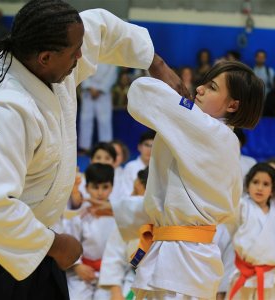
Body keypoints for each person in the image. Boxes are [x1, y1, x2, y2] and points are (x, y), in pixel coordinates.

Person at [0, 0, 188, 298]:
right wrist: (56, 245)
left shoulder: (49, 57)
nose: (82, 55)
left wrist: (156, 64)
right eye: (74, 52)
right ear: (45, 57)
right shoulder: (6, 110)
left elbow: (102, 27)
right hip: (4, 251)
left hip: (41, 244)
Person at [113, 61, 265, 299]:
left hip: (182, 262)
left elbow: (141, 92)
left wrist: (159, 65)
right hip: (183, 255)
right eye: (204, 82)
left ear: (233, 105)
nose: (200, 89)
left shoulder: (209, 130)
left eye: (212, 87)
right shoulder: (224, 139)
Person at [228, 163, 275, 300]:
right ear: (247, 185)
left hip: (269, 279)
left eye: (266, 184)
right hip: (244, 275)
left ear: (273, 190)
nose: (260, 188)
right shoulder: (241, 206)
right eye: (255, 182)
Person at [64, 163, 117, 300]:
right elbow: (71, 242)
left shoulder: (118, 214)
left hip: (109, 273)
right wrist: (77, 266)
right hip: (81, 272)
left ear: (112, 187)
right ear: (87, 188)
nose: (100, 192)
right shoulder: (80, 214)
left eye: (105, 187)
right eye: (95, 187)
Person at [98, 167, 149, 300]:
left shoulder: (172, 220)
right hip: (132, 281)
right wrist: (115, 292)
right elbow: (113, 255)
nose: (131, 195)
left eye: (136, 191)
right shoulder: (128, 218)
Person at [78, 63, 118, 152]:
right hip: (88, 92)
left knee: (104, 120)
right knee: (85, 119)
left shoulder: (110, 56)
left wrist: (101, 88)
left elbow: (112, 74)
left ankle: (105, 146)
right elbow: (83, 70)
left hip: (103, 93)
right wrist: (88, 86)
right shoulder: (88, 54)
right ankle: (85, 147)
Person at [117, 130, 155, 197]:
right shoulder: (130, 167)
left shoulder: (159, 169)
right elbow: (126, 195)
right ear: (139, 147)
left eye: (153, 146)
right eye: (147, 145)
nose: (150, 149)